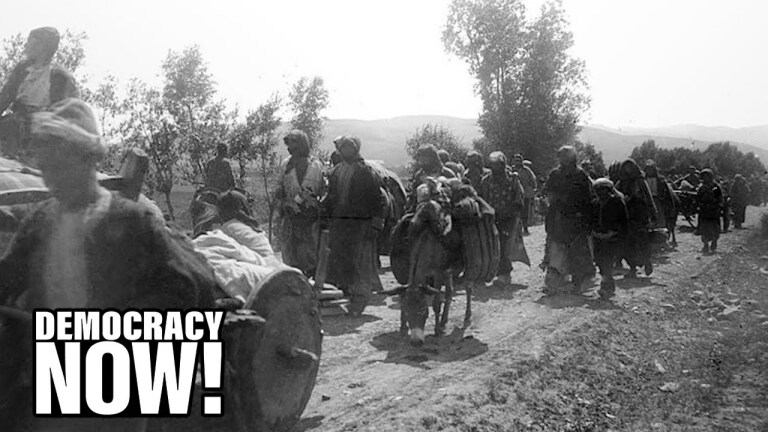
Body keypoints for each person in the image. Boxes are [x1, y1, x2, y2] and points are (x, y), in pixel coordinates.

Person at [0, 98, 215, 432]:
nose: (50, 174)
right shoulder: (41, 222)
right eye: (46, 165)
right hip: (51, 381)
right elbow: (7, 278)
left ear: (87, 159)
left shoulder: (133, 222)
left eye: (59, 162)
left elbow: (181, 290)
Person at [324, 135, 387, 316]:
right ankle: (344, 298)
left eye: (349, 148)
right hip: (340, 224)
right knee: (340, 261)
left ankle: (358, 303)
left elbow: (377, 200)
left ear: (356, 149)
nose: (346, 152)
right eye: (343, 148)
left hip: (360, 225)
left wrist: (376, 223)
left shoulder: (366, 172)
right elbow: (331, 197)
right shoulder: (336, 171)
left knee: (360, 264)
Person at [0, 27, 78, 160]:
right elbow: (5, 98)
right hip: (15, 126)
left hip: (44, 131)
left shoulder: (60, 76)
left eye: (30, 41)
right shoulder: (22, 69)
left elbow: (70, 113)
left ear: (41, 46)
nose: (26, 45)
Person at [541, 146, 595, 293]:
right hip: (558, 218)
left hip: (576, 219)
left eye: (565, 156)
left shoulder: (580, 175)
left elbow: (587, 199)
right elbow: (548, 192)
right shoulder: (555, 174)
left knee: (577, 252)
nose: (562, 159)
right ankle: (553, 284)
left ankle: (578, 283)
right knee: (555, 250)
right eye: (561, 156)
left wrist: (586, 219)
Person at [275, 130, 325, 276]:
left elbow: (323, 190)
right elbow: (280, 188)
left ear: (302, 145)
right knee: (290, 250)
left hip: (310, 215)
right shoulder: (285, 165)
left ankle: (310, 278)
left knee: (309, 250)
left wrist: (313, 205)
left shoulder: (316, 165)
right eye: (288, 145)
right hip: (290, 214)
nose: (290, 148)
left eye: (293, 144)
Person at [478, 151, 526, 284]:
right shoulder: (486, 180)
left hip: (509, 218)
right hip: (492, 218)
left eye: (498, 164)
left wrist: (513, 212)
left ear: (503, 164)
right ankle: (495, 271)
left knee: (505, 245)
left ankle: (504, 273)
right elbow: (482, 199)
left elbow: (519, 197)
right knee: (494, 245)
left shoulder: (513, 179)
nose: (495, 167)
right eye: (493, 165)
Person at [616, 159, 657, 277]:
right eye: (625, 167)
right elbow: (616, 195)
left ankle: (647, 261)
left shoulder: (640, 181)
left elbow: (648, 197)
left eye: (630, 167)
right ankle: (632, 267)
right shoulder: (621, 182)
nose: (628, 170)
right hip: (626, 216)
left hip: (639, 215)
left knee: (643, 240)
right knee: (628, 243)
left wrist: (653, 213)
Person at [592, 178, 628, 300]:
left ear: (608, 190)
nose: (600, 193)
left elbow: (623, 221)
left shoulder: (617, 203)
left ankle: (606, 286)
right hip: (598, 238)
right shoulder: (595, 204)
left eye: (602, 190)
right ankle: (608, 282)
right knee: (599, 262)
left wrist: (613, 233)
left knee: (607, 262)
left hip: (612, 238)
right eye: (598, 190)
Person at [696, 169, 723, 253]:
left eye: (707, 176)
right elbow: (698, 198)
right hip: (704, 211)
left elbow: (720, 199)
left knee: (714, 229)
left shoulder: (716, 187)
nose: (705, 178)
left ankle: (714, 242)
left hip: (713, 211)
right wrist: (699, 206)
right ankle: (705, 245)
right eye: (703, 177)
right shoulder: (701, 187)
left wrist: (718, 207)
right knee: (704, 229)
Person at [512, 153, 537, 235]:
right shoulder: (511, 170)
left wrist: (532, 188)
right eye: (516, 160)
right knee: (514, 212)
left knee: (524, 212)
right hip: (513, 194)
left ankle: (525, 228)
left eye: (519, 160)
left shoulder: (526, 170)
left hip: (524, 194)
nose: (517, 162)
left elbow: (533, 180)